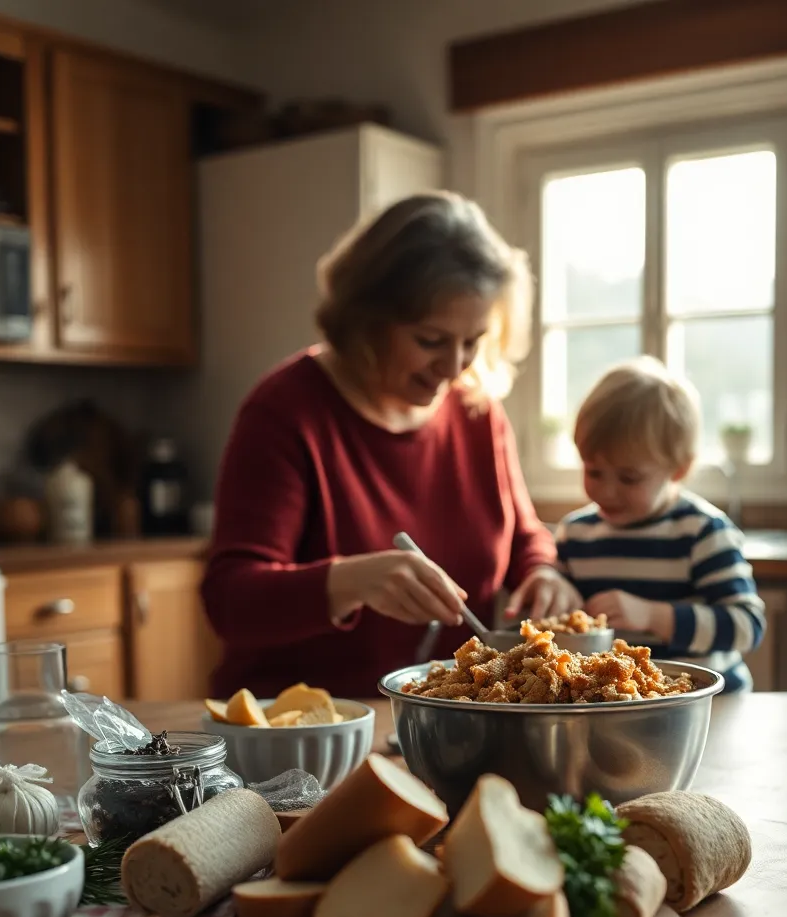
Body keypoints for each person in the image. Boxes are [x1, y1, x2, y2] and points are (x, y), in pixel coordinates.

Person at [202, 192, 579, 699]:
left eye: (474, 341)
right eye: (430, 340)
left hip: (442, 719)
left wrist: (543, 573)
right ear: (366, 322)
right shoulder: (286, 411)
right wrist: (349, 581)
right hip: (301, 729)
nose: (453, 367)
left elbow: (524, 537)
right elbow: (231, 600)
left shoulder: (477, 409)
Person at [555, 356, 766, 692]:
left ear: (678, 469)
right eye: (593, 472)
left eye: (629, 477)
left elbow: (747, 625)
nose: (606, 491)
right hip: (615, 709)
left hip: (707, 706)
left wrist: (654, 617)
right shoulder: (575, 535)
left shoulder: (703, 533)